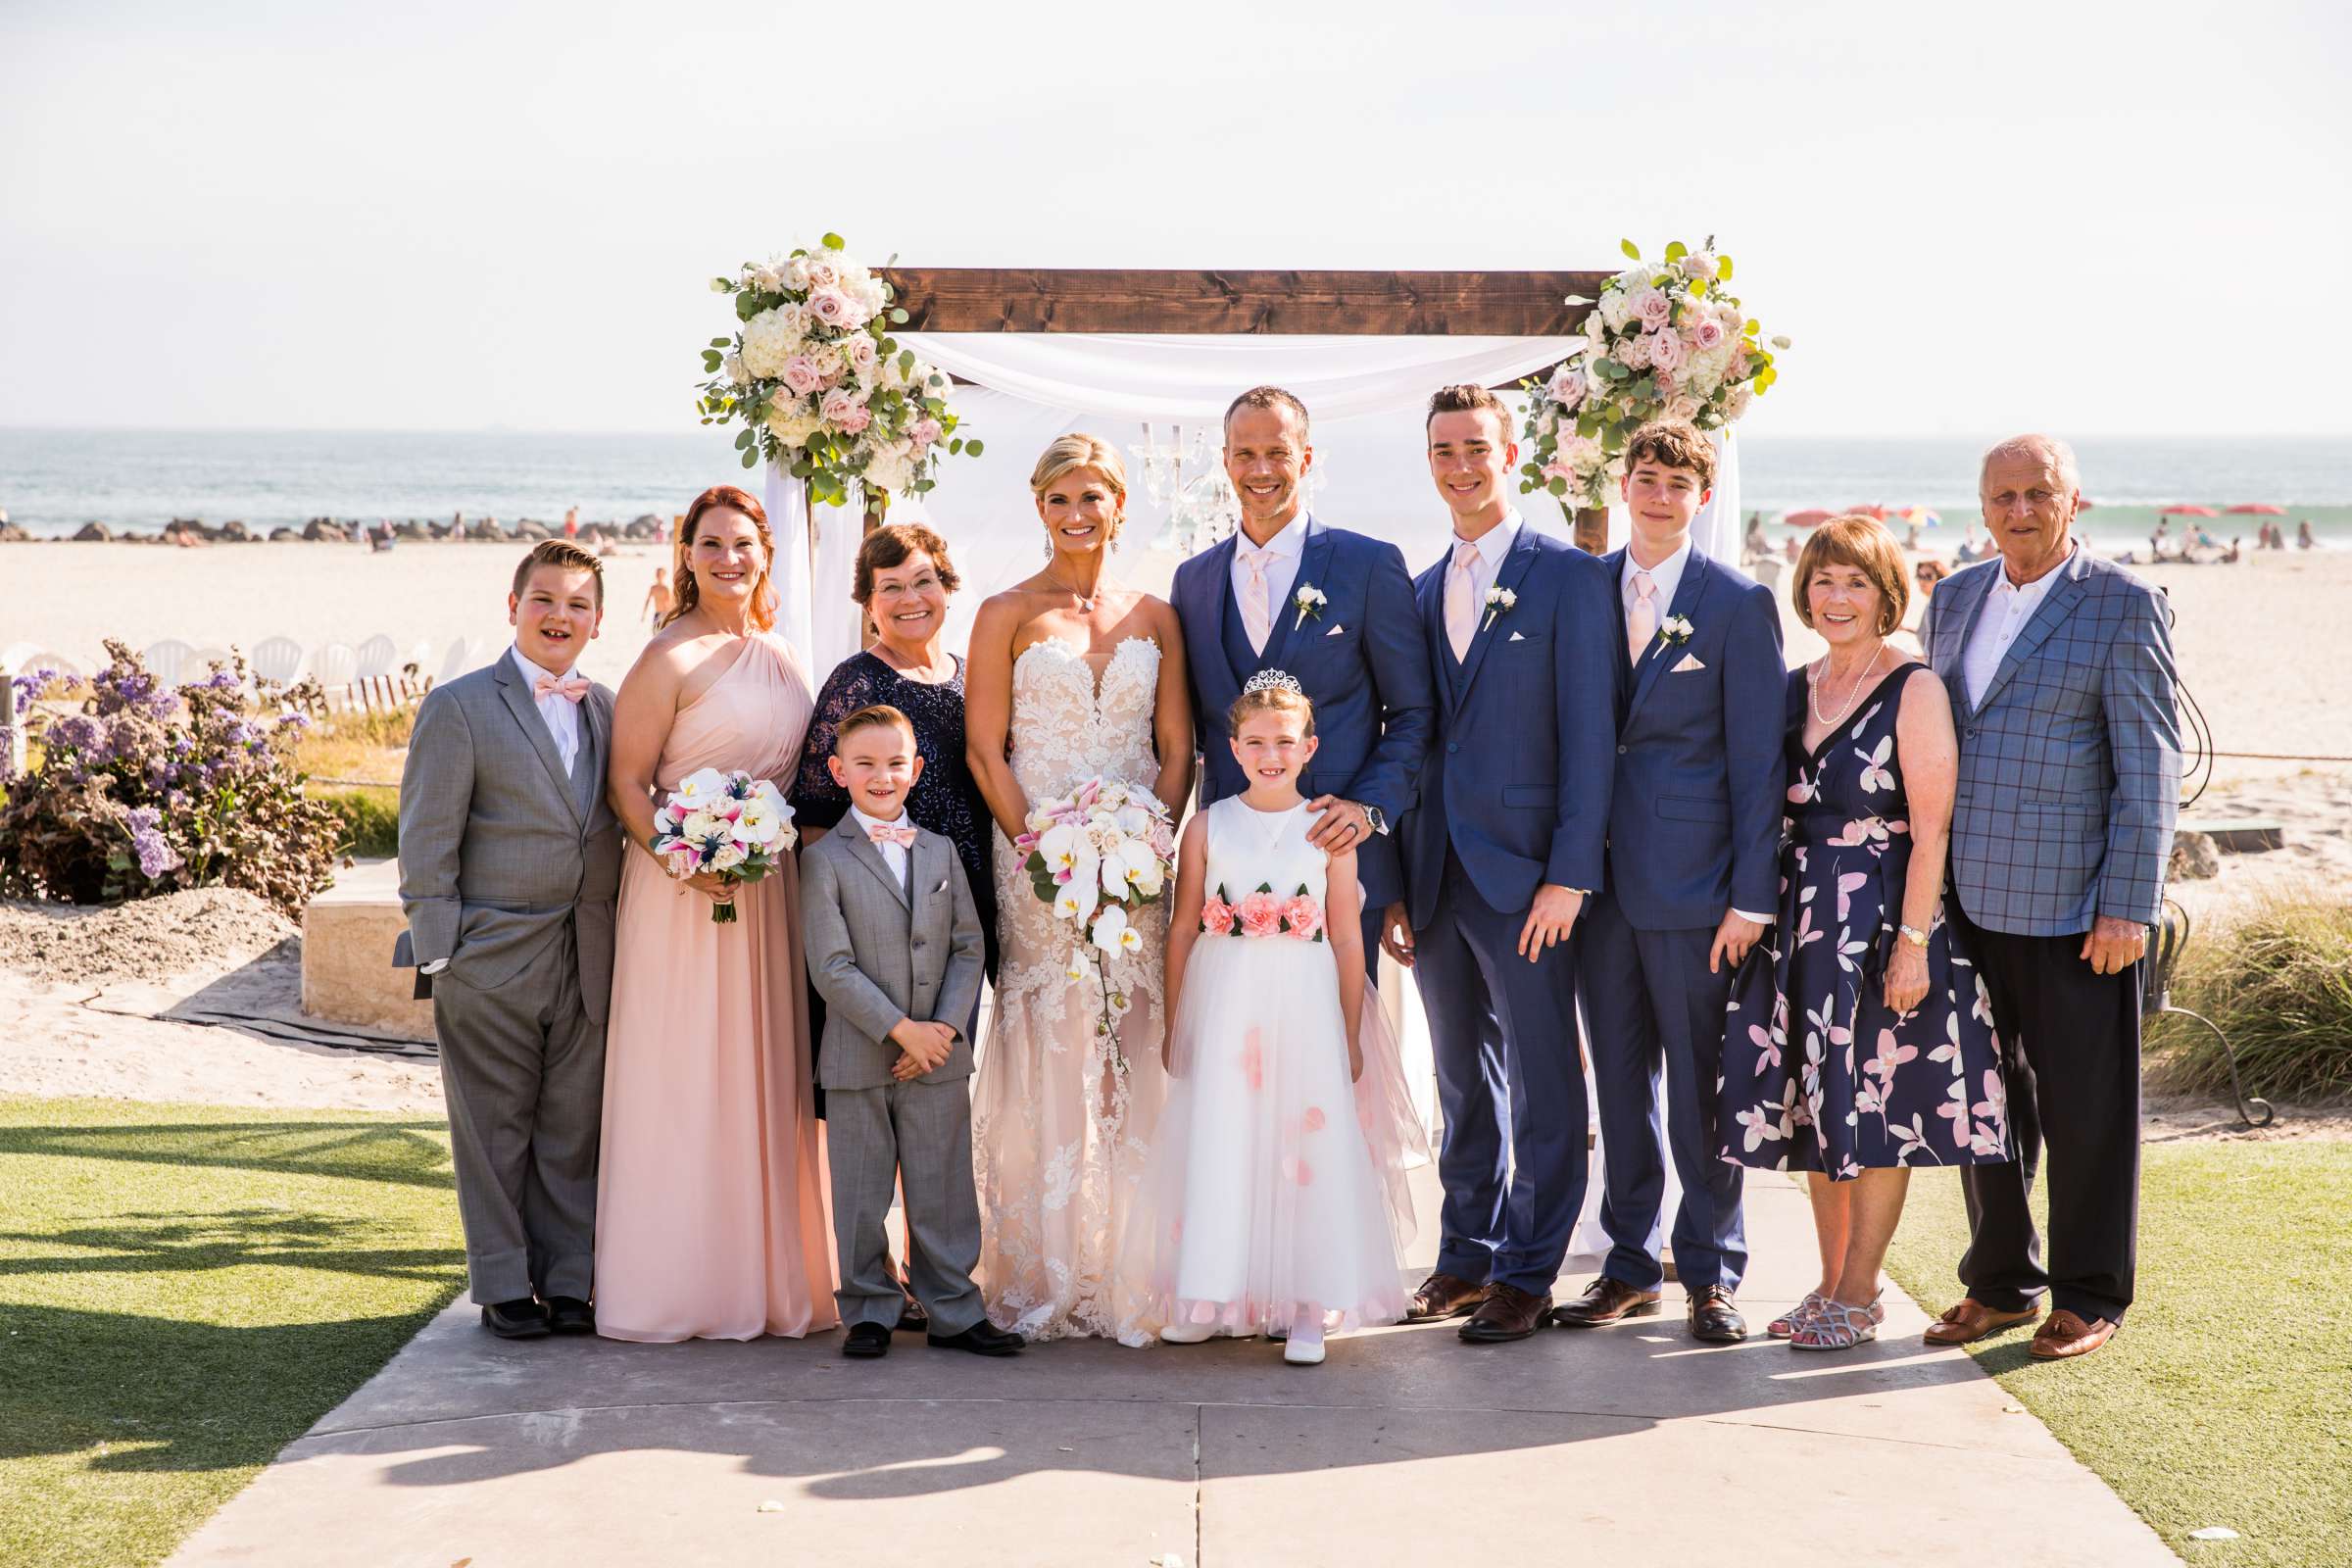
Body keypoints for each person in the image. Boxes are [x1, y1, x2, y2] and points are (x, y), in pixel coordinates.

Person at [1717, 516, 2011, 1351]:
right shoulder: (1794, 684)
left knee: (1877, 1105)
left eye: (1855, 583)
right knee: (1819, 1109)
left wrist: (1913, 944)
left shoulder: (1913, 687)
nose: (1836, 597)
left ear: (1888, 595)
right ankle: (1828, 1280)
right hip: (1802, 922)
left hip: (1883, 923)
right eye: (1822, 580)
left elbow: (1932, 829)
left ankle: (1860, 1290)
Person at [1923, 434, 2180, 1361]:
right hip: (1965, 903)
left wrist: (2130, 904)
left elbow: (2149, 768)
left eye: (2039, 493)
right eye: (2003, 495)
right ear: (1982, 505)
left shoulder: (2122, 603)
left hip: (2079, 909)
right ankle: (1998, 1282)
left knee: (2087, 1110)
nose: (2020, 510)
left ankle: (2091, 1293)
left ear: (2076, 502)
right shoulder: (1950, 599)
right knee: (1979, 1099)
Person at [1390, 385, 1617, 1345]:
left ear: (1511, 451)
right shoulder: (1418, 584)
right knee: (1459, 1078)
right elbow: (1417, 734)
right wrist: (1400, 882)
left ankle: (1529, 1272)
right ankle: (1466, 1252)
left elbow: (1592, 736)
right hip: (1437, 873)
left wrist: (1570, 872)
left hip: (1531, 878)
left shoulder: (1572, 577)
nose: (1460, 465)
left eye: (1476, 446)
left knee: (1544, 1081)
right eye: (1444, 450)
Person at [965, 434, 1193, 1344]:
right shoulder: (1004, 612)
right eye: (1060, 499)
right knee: (1054, 1045)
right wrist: (1044, 853)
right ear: (1039, 507)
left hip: (1137, 865)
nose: (1076, 514)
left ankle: (1140, 1265)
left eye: (1092, 497)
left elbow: (1178, 751)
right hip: (1037, 863)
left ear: (1119, 504)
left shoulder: (1157, 615)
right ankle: (1049, 1267)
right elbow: (988, 750)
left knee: (1136, 1041)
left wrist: (1147, 841)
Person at [1123, 674, 1422, 1365]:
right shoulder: (1208, 824)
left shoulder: (1329, 829)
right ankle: (1210, 1293)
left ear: (1309, 746)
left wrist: (1348, 1032)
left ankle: (1308, 1304)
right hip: (1227, 1000)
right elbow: (1182, 928)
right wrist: (1177, 1022)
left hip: (1304, 1002)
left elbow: (1347, 937)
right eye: (1255, 742)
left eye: (1284, 743)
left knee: (1303, 1142)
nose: (1270, 755)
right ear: (1231, 747)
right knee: (1224, 1134)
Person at [1561, 419, 1784, 1346]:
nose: (1658, 494)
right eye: (1645, 477)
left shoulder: (1737, 602)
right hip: (1591, 883)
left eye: (1677, 482)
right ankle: (1627, 1265)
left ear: (1701, 494)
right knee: (1618, 1085)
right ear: (1622, 485)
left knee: (1698, 1088)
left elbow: (1758, 761)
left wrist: (1751, 894)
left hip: (1695, 891)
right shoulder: (1581, 590)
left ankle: (1712, 1270)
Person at [595, 484, 835, 1343]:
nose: (728, 559)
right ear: (686, 556)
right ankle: (677, 1282)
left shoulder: (780, 655)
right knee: (687, 1069)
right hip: (681, 898)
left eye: (743, 544)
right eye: (711, 545)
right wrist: (680, 861)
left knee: (767, 1072)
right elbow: (627, 782)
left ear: (766, 553)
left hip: (770, 895)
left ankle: (770, 1278)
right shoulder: (668, 657)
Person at [393, 540, 620, 1340]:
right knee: (493, 1131)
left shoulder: (607, 706)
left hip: (588, 952)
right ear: (513, 606)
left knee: (571, 1127)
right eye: (546, 599)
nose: (561, 615)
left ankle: (567, 1281)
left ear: (598, 619)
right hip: (487, 955)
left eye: (579, 603)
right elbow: (425, 837)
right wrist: (441, 949)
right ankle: (501, 1285)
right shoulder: (459, 706)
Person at [1169, 385, 1433, 966]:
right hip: (1230, 863)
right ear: (1225, 461)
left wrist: (1367, 809)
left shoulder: (1368, 564)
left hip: (1337, 853)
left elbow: (1413, 713)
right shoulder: (1192, 581)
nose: (1260, 470)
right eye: (1245, 454)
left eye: (1278, 453)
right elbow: (1186, 728)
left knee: (1334, 1044)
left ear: (1306, 459)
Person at [799, 705, 1021, 1359]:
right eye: (864, 764)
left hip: (938, 1055)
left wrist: (944, 1030)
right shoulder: (823, 860)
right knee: (861, 1189)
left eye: (895, 763)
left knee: (943, 1185)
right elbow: (831, 967)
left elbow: (967, 947)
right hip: (859, 1052)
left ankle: (954, 1306)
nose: (881, 775)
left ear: (917, 769)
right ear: (839, 771)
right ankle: (869, 1308)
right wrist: (902, 1033)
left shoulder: (941, 850)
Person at [792, 523, 995, 990]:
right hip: (890, 911)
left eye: (924, 581)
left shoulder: (970, 677)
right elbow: (817, 814)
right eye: (891, 587)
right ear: (868, 605)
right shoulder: (855, 683)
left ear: (947, 588)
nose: (911, 599)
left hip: (971, 905)